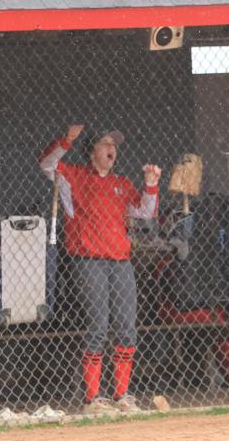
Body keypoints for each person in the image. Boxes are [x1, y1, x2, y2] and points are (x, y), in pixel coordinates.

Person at [38, 125, 162, 415]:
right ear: (92, 152)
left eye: (114, 145)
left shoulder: (121, 183)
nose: (112, 148)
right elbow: (47, 164)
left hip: (120, 262)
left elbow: (145, 211)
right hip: (89, 261)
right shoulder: (75, 178)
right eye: (105, 144)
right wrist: (66, 141)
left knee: (126, 328)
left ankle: (122, 396)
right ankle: (93, 399)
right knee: (98, 326)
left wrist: (151, 184)